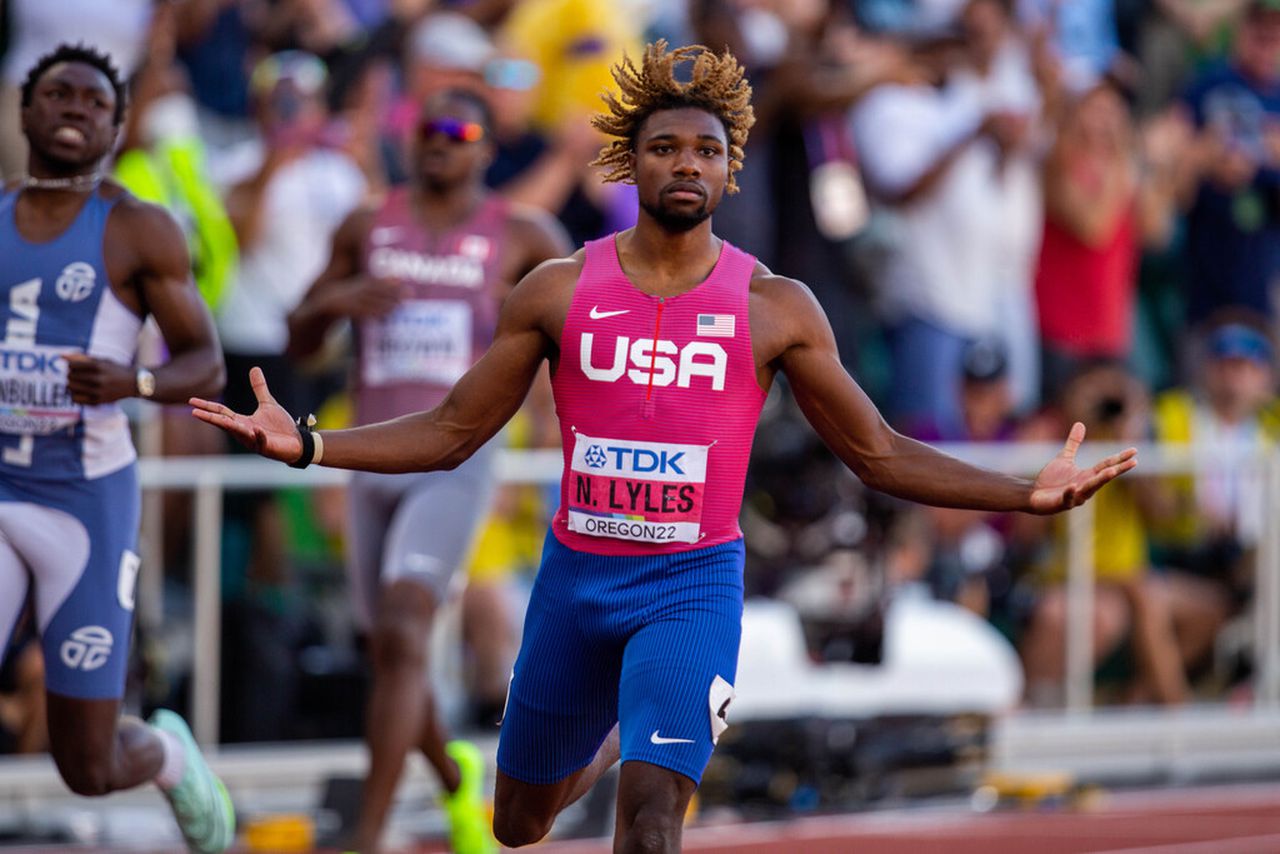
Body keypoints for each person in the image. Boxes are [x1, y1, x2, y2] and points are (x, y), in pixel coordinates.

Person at [193, 40, 1136, 852]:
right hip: (576, 582)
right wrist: (313, 442)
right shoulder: (557, 289)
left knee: (649, 825)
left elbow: (878, 453)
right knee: (519, 822)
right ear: (630, 164)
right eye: (664, 147)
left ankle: (642, 731)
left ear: (729, 172)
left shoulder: (777, 308)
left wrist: (1024, 491)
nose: (687, 162)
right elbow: (450, 432)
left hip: (690, 588)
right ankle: (606, 730)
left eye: (707, 150)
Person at [286, 87, 569, 854]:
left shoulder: (520, 232)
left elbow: (578, 334)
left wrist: (554, 426)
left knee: (409, 625)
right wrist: (339, 298)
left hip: (457, 458)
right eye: (427, 127)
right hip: (375, 452)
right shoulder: (367, 225)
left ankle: (368, 836)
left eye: (459, 130)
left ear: (486, 148)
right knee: (389, 651)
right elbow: (298, 340)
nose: (440, 140)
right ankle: (453, 778)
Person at [0, 44, 232, 852]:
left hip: (86, 501)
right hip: (2, 490)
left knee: (87, 766)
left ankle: (168, 753)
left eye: (94, 101)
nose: (74, 108)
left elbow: (208, 362)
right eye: (56, 93)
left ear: (117, 125)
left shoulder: (138, 228)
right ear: (26, 112)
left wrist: (132, 383)